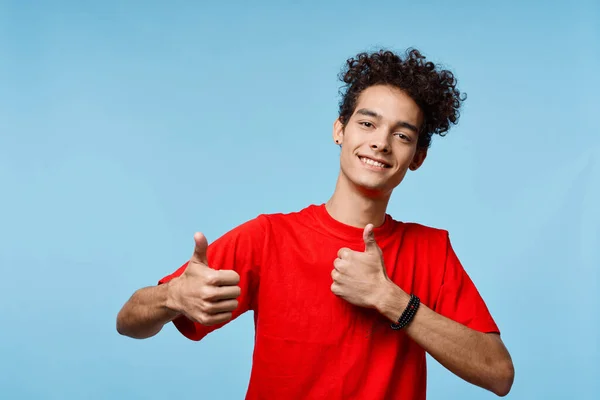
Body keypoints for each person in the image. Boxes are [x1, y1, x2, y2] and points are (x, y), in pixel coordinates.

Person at [116, 48, 515, 399]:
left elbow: (498, 374)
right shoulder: (269, 237)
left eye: (403, 135)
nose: (380, 142)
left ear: (417, 157)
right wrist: (172, 297)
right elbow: (128, 321)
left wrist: (389, 299)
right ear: (339, 130)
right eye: (367, 124)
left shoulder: (431, 250)